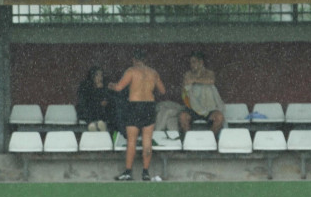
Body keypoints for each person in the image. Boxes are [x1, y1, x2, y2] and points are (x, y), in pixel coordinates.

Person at [111, 49, 165, 182]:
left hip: (135, 106)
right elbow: (163, 91)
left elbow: (119, 88)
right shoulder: (153, 73)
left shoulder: (131, 71)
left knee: (132, 141)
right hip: (149, 106)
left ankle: (128, 172)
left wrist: (111, 85)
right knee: (147, 140)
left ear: (134, 60)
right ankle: (145, 172)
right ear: (145, 60)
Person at [178, 51, 225, 136]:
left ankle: (210, 139)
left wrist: (195, 80)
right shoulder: (188, 74)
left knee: (219, 117)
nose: (192, 65)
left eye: (194, 62)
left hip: (208, 108)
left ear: (201, 62)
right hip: (193, 108)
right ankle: (189, 140)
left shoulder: (209, 73)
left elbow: (211, 80)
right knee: (183, 117)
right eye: (190, 63)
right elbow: (185, 86)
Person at [76, 66, 113, 132]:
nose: (100, 78)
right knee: (91, 108)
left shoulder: (104, 86)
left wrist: (100, 90)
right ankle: (92, 124)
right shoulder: (85, 86)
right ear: (92, 76)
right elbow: (86, 102)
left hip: (99, 113)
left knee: (103, 109)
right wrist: (97, 92)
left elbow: (107, 100)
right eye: (97, 75)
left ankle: (100, 124)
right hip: (87, 111)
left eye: (101, 75)